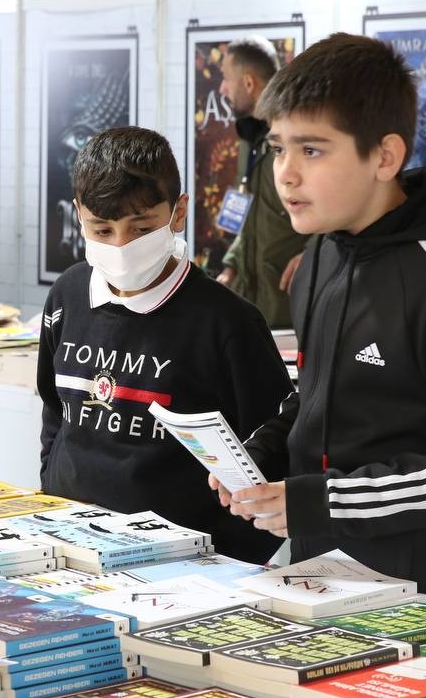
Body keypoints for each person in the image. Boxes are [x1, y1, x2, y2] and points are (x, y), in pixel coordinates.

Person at [211, 33, 426, 614]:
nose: (286, 174)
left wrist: (329, 502)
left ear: (385, 157)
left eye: (312, 151)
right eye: (278, 148)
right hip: (315, 587)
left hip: (425, 605)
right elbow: (314, 397)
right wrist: (262, 453)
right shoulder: (319, 259)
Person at [37, 126, 292, 564]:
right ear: (79, 214)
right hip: (70, 544)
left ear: (178, 213)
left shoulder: (226, 322)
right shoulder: (68, 294)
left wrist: (231, 561)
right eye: (102, 229)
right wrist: (52, 485)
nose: (121, 245)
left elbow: (273, 446)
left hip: (186, 567)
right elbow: (54, 408)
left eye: (141, 228)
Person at [215, 37, 310, 328]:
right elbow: (253, 213)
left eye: (225, 79)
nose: (221, 89)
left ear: (248, 83)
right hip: (252, 309)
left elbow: (340, 207)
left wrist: (314, 254)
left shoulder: (300, 137)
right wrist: (231, 267)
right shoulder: (249, 140)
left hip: (290, 311)